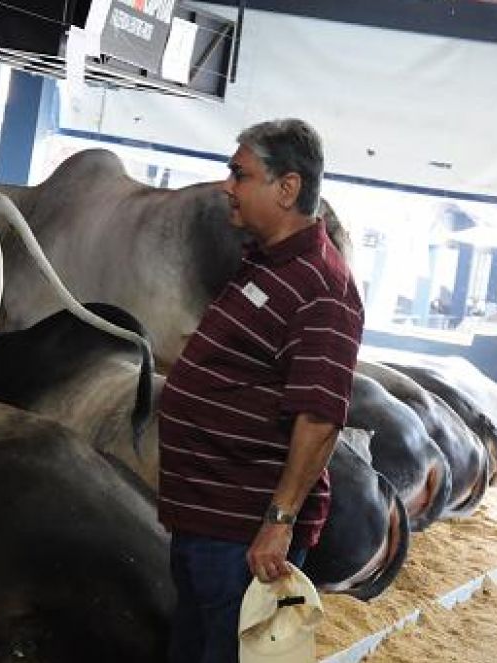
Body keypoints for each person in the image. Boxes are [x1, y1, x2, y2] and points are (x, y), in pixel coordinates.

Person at [156, 119, 364, 663]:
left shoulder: (323, 286)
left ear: (287, 188)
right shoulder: (266, 266)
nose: (228, 186)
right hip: (207, 520)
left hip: (245, 539)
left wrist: (279, 523)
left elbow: (319, 417)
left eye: (240, 174)